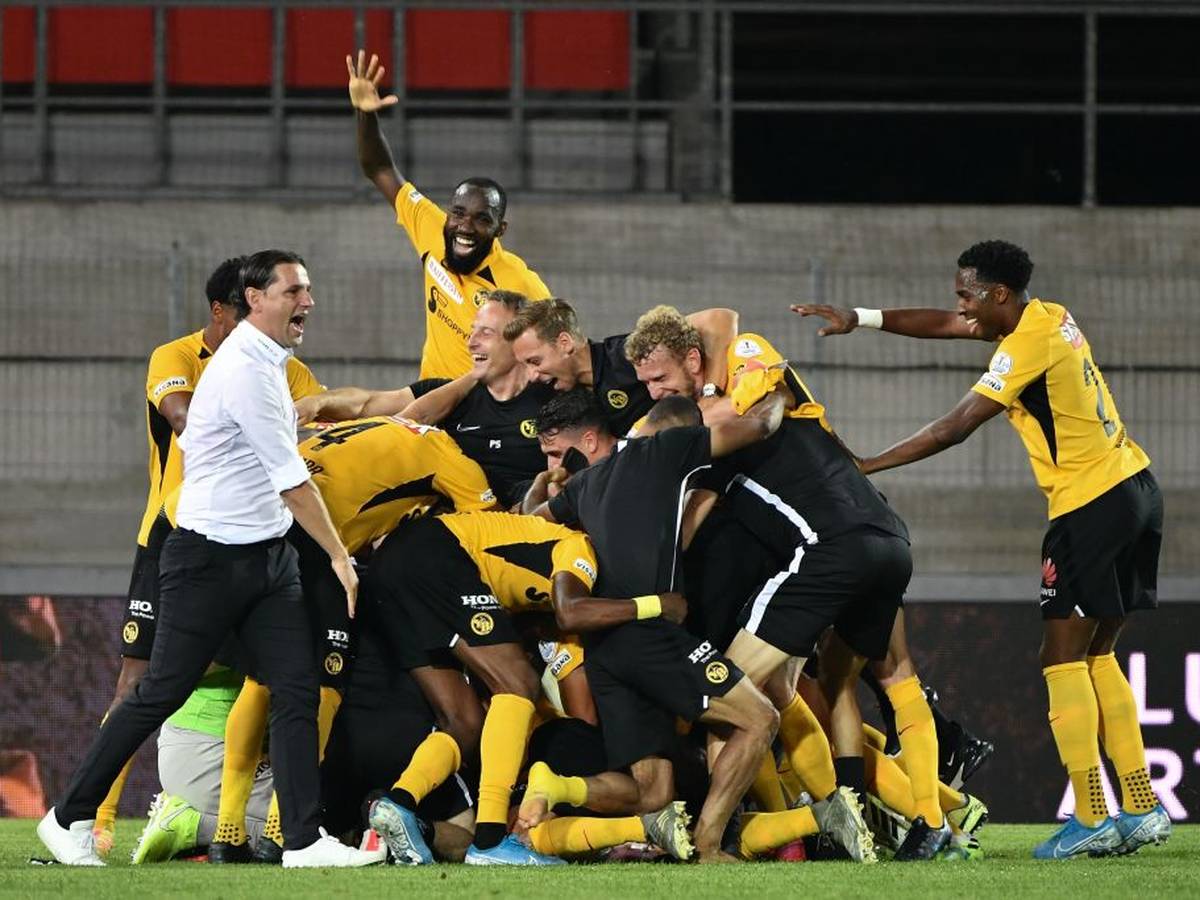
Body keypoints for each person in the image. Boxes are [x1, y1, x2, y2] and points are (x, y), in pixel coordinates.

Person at [793, 239, 1169, 859]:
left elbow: (955, 425)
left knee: (1060, 659)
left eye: (967, 295)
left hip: (1090, 503)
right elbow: (945, 325)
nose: (960, 306)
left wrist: (867, 465)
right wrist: (860, 317)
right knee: (1099, 654)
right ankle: (1140, 804)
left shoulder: (1025, 346)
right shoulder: (1049, 316)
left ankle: (1091, 816)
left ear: (998, 294)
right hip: (1134, 487)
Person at [36, 249, 377, 868]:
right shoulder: (245, 369)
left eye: (307, 289)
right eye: (294, 290)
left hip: (267, 558)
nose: (308, 301)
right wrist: (339, 557)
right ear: (255, 300)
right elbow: (290, 480)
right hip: (208, 560)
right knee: (160, 689)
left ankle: (302, 841)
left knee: (296, 688)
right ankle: (68, 818)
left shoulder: (272, 361)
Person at [624, 306, 944, 861]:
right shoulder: (777, 406)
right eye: (646, 383)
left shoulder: (730, 419)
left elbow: (719, 323)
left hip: (829, 551)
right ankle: (910, 820)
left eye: (660, 379)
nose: (653, 393)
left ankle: (716, 836)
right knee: (852, 680)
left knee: (727, 694)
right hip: (890, 538)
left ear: (695, 360)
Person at [96, 258, 323, 854]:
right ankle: (98, 819)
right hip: (173, 533)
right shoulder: (176, 356)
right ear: (224, 310)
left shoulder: (283, 366)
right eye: (240, 313)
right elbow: (184, 420)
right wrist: (257, 414)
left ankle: (255, 823)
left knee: (276, 679)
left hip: (255, 541)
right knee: (140, 681)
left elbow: (324, 421)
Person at [207, 413, 498, 863]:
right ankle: (283, 829)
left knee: (260, 680)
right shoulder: (454, 459)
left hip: (249, 519)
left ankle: (228, 833)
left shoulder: (384, 426)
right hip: (311, 535)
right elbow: (484, 535)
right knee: (324, 687)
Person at [362, 509, 603, 866]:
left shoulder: (532, 559)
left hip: (390, 569)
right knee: (519, 682)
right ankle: (490, 841)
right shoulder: (578, 545)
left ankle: (398, 804)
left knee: (463, 722)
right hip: (438, 551)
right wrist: (650, 606)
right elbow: (571, 611)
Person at [346, 50, 551, 379]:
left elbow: (558, 351)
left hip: (486, 405)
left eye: (482, 219)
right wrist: (364, 113)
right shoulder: (431, 227)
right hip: (429, 397)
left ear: (500, 230)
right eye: (458, 213)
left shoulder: (519, 282)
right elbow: (379, 168)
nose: (465, 226)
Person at [297, 291, 553, 509]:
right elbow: (367, 405)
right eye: (472, 331)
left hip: (520, 528)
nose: (471, 342)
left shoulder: (555, 403)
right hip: (448, 525)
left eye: (486, 333)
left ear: (520, 341)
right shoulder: (443, 394)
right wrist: (319, 402)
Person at [504, 297, 738, 437]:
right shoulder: (558, 397)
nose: (531, 375)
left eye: (535, 362)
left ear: (564, 343)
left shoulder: (626, 354)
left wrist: (711, 393)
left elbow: (720, 318)